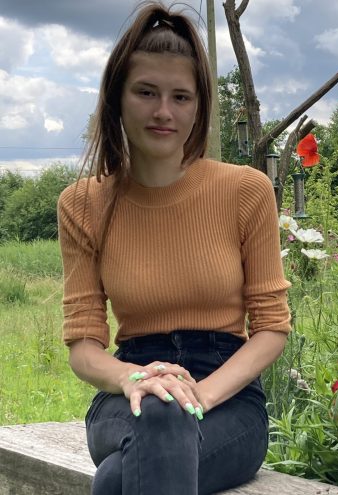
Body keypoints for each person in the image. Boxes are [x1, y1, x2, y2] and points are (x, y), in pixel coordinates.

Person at [57, 2, 291, 494]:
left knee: (122, 477)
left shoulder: (245, 191)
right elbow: (83, 347)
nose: (164, 111)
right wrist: (133, 378)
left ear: (200, 106)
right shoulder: (82, 204)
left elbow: (271, 329)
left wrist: (197, 394)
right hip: (126, 393)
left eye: (181, 97)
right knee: (158, 415)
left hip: (228, 397)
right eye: (146, 92)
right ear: (117, 98)